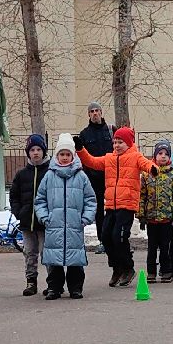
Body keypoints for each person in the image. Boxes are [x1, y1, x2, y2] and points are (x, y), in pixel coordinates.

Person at [76, 125, 150, 288]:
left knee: (119, 236)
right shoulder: (109, 158)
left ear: (129, 143)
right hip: (111, 205)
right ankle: (117, 269)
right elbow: (92, 162)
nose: (116, 145)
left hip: (127, 205)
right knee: (106, 236)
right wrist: (80, 149)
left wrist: (155, 169)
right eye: (115, 142)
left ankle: (128, 268)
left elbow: (147, 165)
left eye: (120, 142)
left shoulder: (135, 157)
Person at [34, 141, 97, 299]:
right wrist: (44, 217)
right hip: (53, 225)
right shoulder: (49, 176)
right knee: (54, 260)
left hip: (74, 225)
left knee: (75, 259)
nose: (64, 157)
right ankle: (54, 288)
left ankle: (76, 288)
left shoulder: (81, 176)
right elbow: (40, 199)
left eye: (68, 154)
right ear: (57, 156)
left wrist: (85, 218)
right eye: (62, 154)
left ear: (73, 155)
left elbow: (90, 200)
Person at [9, 134, 50, 295]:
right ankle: (31, 282)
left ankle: (51, 282)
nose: (35, 153)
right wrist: (18, 212)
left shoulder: (50, 172)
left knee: (46, 252)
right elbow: (14, 196)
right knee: (29, 252)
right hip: (27, 222)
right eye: (32, 150)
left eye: (39, 149)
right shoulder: (21, 174)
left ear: (43, 151)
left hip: (44, 223)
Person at [139, 139, 173, 283]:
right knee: (152, 248)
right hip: (151, 218)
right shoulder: (147, 174)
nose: (163, 156)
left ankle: (166, 271)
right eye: (160, 153)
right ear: (155, 155)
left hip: (166, 219)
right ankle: (151, 272)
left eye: (166, 154)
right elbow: (142, 196)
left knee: (165, 247)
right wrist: (141, 215)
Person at [77, 102, 115, 246]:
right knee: (98, 210)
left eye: (97, 110)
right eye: (92, 111)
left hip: (111, 176)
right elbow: (81, 156)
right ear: (88, 114)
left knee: (112, 208)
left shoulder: (111, 131)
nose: (95, 113)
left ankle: (114, 237)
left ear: (101, 112)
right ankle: (102, 239)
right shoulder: (84, 134)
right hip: (94, 178)